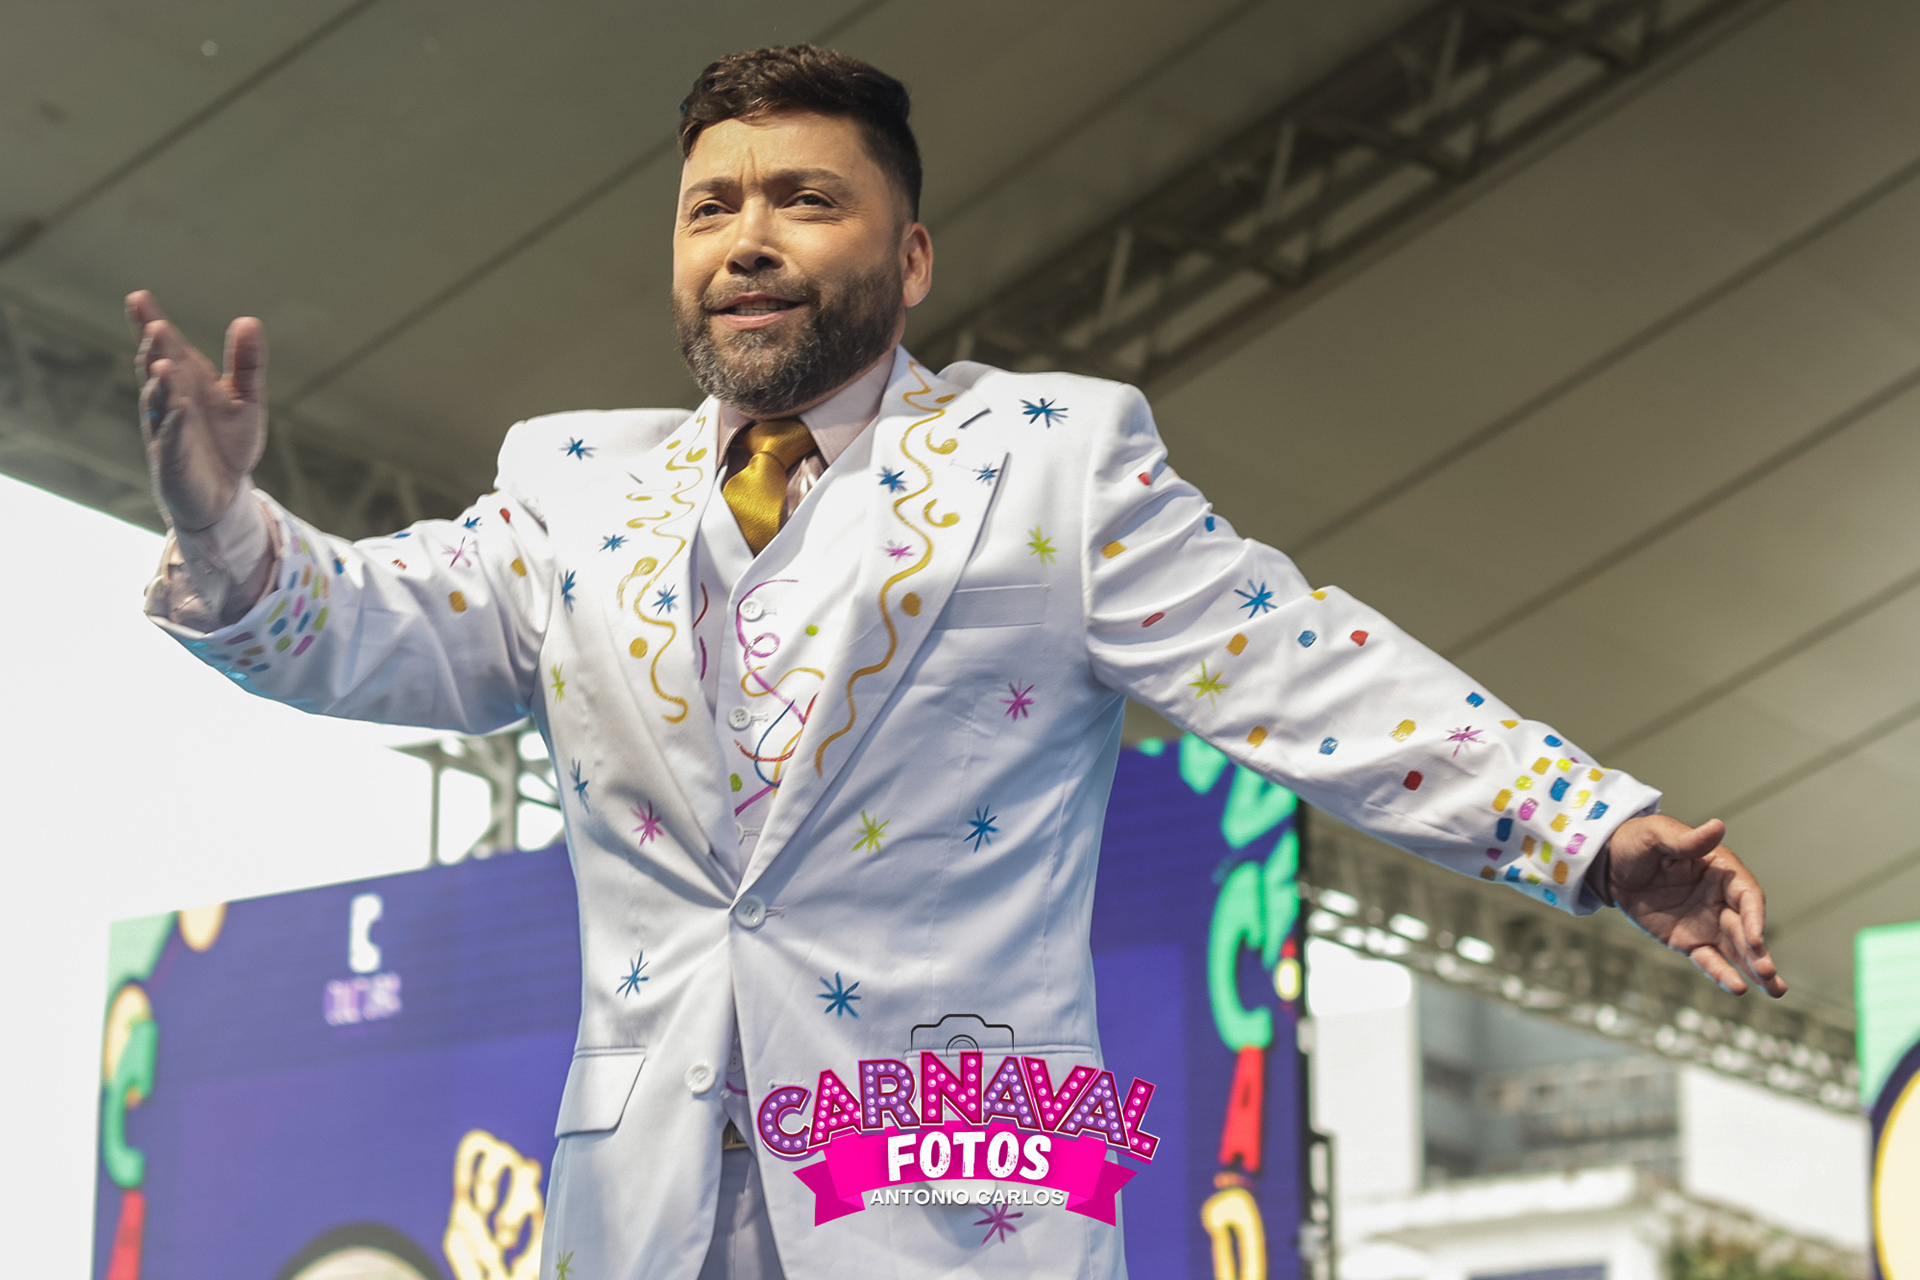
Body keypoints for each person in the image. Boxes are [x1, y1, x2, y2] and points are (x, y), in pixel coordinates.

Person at [131, 44, 1784, 1280]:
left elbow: (1299, 665)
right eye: (712, 208)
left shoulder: (1054, 457)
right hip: (642, 1210)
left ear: (910, 259)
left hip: (957, 1205)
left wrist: (1590, 827)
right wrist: (224, 526)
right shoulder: (569, 483)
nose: (748, 238)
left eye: (805, 199)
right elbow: (366, 626)